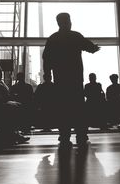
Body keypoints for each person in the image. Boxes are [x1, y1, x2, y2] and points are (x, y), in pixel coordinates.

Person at [42, 12, 100, 147]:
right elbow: (90, 47)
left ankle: (64, 135)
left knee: (63, 108)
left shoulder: (53, 38)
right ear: (67, 22)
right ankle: (81, 134)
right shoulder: (75, 36)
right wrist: (95, 48)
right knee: (78, 107)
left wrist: (47, 74)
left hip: (61, 80)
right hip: (75, 79)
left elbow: (46, 58)